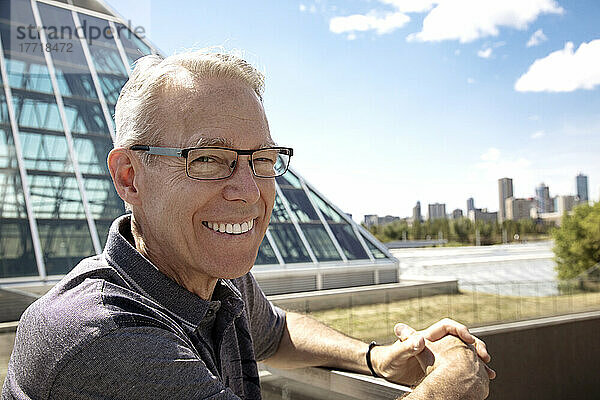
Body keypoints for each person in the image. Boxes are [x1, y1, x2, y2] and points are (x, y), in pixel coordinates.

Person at [2, 50, 494, 400]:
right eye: (210, 159)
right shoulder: (101, 336)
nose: (249, 190)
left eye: (261, 159)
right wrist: (449, 389)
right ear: (130, 177)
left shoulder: (212, 276)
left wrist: (374, 358)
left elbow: (275, 333)